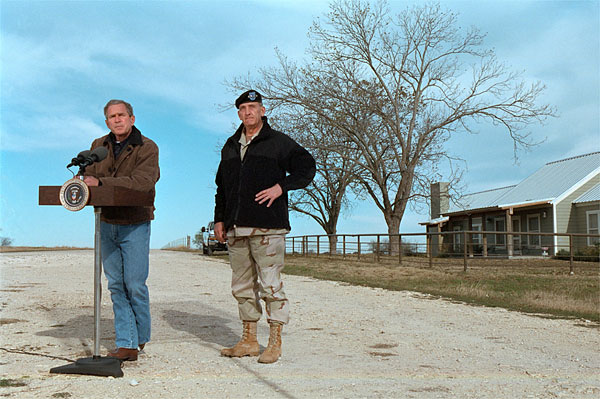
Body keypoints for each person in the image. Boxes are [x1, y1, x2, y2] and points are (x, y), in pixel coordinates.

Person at [214, 90, 316, 363]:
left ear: (262, 111)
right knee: (242, 286)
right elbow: (221, 187)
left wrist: (281, 187)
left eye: (253, 107)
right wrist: (220, 219)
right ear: (239, 113)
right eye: (243, 108)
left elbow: (307, 167)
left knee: (271, 285)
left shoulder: (278, 142)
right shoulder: (230, 146)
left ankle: (274, 342)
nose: (248, 112)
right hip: (236, 228)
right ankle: (248, 339)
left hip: (267, 227)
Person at [83, 99, 160, 361]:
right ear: (106, 122)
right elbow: (89, 178)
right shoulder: (97, 146)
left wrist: (102, 181)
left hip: (135, 223)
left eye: (121, 115)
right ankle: (126, 343)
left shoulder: (147, 147)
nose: (117, 120)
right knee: (116, 284)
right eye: (112, 116)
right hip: (106, 223)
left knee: (134, 284)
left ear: (132, 118)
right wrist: (81, 182)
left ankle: (140, 337)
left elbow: (143, 182)